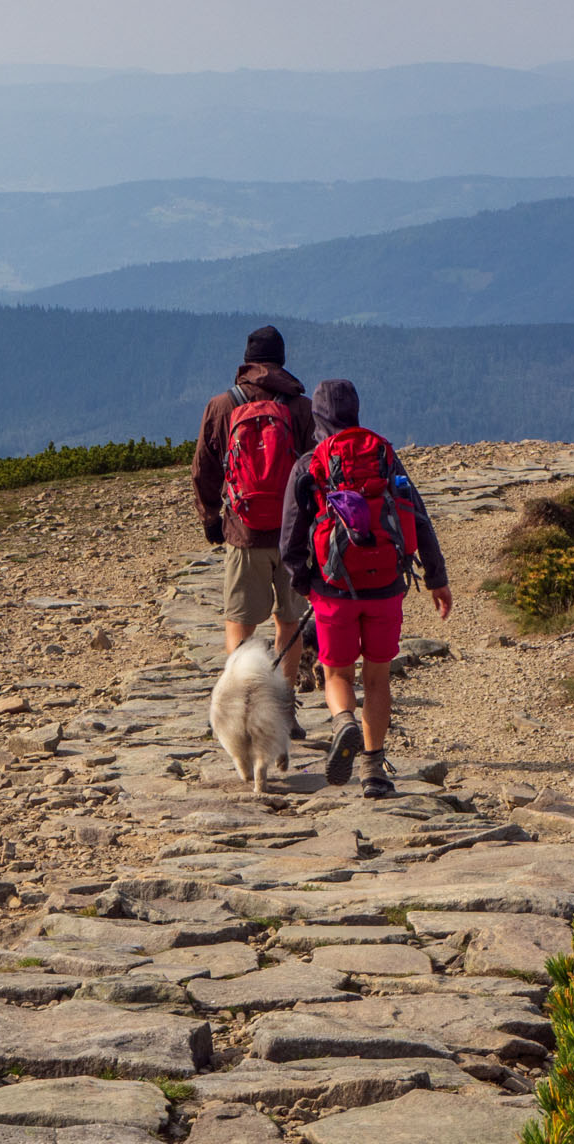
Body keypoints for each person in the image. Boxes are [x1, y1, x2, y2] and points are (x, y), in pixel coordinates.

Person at [280, 378, 451, 797]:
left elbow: (290, 538)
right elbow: (419, 519)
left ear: (317, 417)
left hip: (334, 589)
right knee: (377, 678)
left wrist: (306, 582)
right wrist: (436, 578)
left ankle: (344, 723)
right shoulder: (384, 455)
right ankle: (373, 770)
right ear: (356, 411)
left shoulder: (309, 463)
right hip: (387, 585)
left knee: (337, 673)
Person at [191, 325, 318, 737]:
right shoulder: (301, 407)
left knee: (240, 623)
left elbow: (204, 470)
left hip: (243, 531)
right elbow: (318, 467)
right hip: (293, 534)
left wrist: (212, 517)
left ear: (246, 360)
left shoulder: (222, 404)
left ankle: (241, 710)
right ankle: (283, 708)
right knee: (289, 620)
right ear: (282, 359)